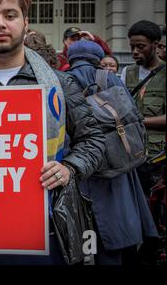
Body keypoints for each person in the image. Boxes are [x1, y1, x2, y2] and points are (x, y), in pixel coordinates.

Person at [0, 0, 105, 265]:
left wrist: (69, 168)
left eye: (10, 15)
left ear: (25, 23)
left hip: (45, 235)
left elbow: (94, 140)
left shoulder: (59, 84)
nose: (0, 24)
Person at [66, 39, 158, 265]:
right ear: (97, 58)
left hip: (79, 167)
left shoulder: (62, 80)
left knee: (85, 231)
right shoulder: (111, 78)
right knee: (116, 228)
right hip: (116, 164)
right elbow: (134, 118)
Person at [120, 20, 166, 195]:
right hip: (131, 153)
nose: (134, 52)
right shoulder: (128, 72)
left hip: (158, 156)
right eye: (132, 47)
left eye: (141, 47)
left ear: (156, 45)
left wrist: (139, 121)